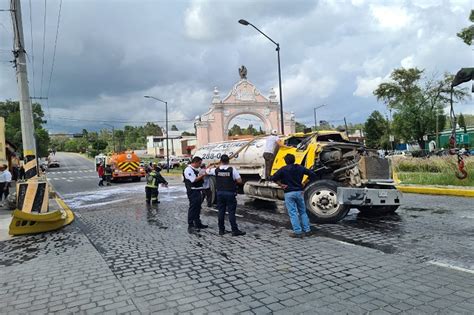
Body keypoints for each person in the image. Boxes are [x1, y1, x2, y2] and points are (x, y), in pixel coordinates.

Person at [269, 153, 317, 238]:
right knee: (302, 212)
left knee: (293, 213)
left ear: (285, 161)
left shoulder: (283, 169)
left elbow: (273, 178)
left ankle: (298, 232)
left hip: (289, 193)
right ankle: (307, 230)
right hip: (299, 192)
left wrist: (281, 185)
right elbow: (312, 174)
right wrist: (304, 183)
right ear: (294, 159)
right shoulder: (300, 168)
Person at [207, 154, 246, 236]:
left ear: (220, 161)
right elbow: (239, 181)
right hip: (230, 193)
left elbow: (207, 170)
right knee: (231, 212)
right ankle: (234, 230)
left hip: (220, 193)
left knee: (221, 212)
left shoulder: (216, 170)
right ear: (228, 161)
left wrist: (213, 165)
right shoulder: (232, 170)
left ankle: (221, 230)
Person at [183, 156, 208, 233]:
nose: (200, 165)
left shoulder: (194, 169)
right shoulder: (188, 170)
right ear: (195, 162)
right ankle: (191, 225)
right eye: (199, 163)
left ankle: (198, 223)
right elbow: (193, 180)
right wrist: (203, 175)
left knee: (197, 208)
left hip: (197, 190)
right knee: (193, 208)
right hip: (192, 191)